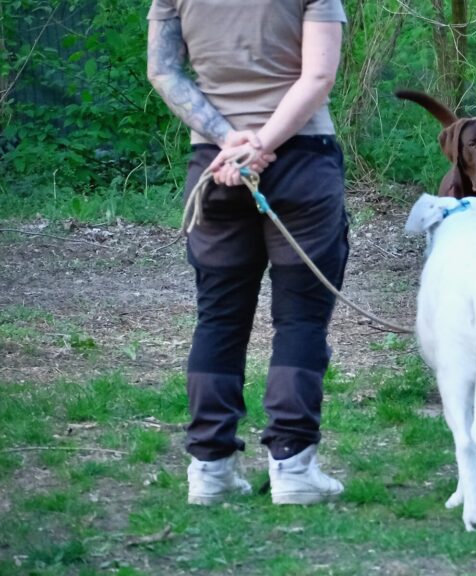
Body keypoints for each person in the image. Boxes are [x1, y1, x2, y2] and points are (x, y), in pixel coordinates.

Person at [147, 0, 350, 505]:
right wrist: (260, 143)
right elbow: (318, 75)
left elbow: (163, 70)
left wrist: (228, 141)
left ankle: (210, 472)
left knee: (218, 318)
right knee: (301, 320)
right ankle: (294, 471)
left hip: (214, 166)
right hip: (301, 160)